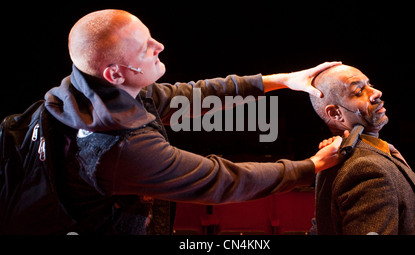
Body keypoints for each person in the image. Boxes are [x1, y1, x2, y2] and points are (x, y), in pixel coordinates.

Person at [42, 9, 344, 234]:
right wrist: (313, 166)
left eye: (150, 37)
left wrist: (285, 81)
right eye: (145, 47)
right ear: (115, 74)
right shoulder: (120, 149)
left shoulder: (88, 88)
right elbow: (221, 180)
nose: (159, 46)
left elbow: (194, 95)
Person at [310, 64, 415, 235]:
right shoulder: (365, 169)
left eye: (370, 85)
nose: (377, 93)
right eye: (359, 91)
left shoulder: (345, 158)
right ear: (335, 114)